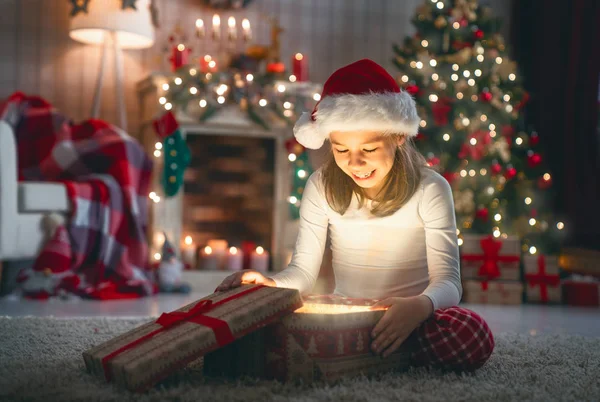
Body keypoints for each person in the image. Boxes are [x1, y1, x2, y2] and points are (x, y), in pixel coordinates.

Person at [216, 59, 494, 372]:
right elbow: (303, 275)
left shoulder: (431, 188)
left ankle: (372, 351)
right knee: (263, 324)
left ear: (398, 136)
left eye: (370, 149)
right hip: (347, 315)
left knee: (471, 334)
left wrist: (420, 305)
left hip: (410, 317)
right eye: (341, 150)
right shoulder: (320, 186)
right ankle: (379, 355)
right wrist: (269, 283)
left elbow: (448, 282)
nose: (356, 163)